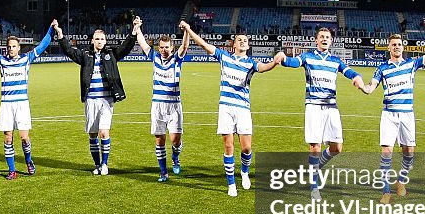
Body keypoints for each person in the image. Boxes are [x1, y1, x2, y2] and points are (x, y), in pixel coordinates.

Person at [183, 22, 281, 197]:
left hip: (243, 108)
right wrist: (189, 30)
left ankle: (244, 172)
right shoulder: (224, 57)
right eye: (239, 40)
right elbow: (204, 45)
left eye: (245, 40)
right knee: (228, 146)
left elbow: (264, 68)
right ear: (234, 44)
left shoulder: (251, 63)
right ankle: (231, 184)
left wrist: (275, 62)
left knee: (246, 148)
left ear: (248, 45)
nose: (243, 42)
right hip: (226, 108)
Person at [274, 27, 365, 200]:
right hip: (314, 106)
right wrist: (283, 58)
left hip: (331, 107)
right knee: (315, 146)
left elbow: (349, 71)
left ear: (331, 41)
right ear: (316, 40)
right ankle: (314, 186)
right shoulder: (308, 57)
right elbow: (293, 62)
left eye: (327, 37)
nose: (324, 39)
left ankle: (314, 168)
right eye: (321, 37)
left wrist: (357, 77)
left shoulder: (336, 60)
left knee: (337, 147)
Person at [359, 32, 425, 203]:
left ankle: (401, 181)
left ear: (403, 47)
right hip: (389, 114)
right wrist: (363, 87)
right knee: (386, 152)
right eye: (393, 44)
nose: (397, 47)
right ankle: (386, 191)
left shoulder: (411, 64)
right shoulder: (382, 68)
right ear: (389, 48)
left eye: (399, 44)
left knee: (409, 153)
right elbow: (372, 88)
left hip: (407, 114)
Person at [0, 17, 58, 179]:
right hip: (6, 105)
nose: (11, 49)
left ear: (19, 48)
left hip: (22, 105)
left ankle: (28, 160)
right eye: (9, 47)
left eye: (14, 46)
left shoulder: (26, 59)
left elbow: (42, 45)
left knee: (24, 137)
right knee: (8, 137)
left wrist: (51, 29)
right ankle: (12, 170)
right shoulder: (1, 61)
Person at [56, 19, 138, 175]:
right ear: (92, 40)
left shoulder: (111, 54)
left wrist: (134, 31)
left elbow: (126, 48)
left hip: (106, 100)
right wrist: (60, 34)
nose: (100, 41)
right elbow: (69, 51)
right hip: (91, 100)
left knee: (103, 132)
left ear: (105, 41)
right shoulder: (85, 55)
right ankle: (97, 164)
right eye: (97, 39)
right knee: (93, 134)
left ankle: (105, 164)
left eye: (102, 39)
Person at [135, 20, 191, 182]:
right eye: (161, 47)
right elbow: (143, 43)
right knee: (160, 140)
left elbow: (185, 46)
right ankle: (163, 172)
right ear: (158, 48)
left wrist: (186, 31)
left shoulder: (177, 59)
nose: (164, 50)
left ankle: (175, 157)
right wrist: (137, 29)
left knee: (175, 140)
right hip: (158, 105)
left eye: (167, 47)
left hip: (174, 105)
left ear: (172, 48)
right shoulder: (154, 57)